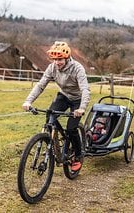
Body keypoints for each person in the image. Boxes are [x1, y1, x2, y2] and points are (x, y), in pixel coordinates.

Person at [22, 41, 90, 171]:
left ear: (66, 58)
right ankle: (51, 145)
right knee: (50, 118)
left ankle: (78, 155)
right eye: (55, 59)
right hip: (64, 96)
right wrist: (28, 101)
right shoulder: (52, 67)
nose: (57, 62)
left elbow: (85, 89)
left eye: (60, 59)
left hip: (78, 99)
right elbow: (41, 85)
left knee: (71, 129)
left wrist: (81, 108)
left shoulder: (77, 68)